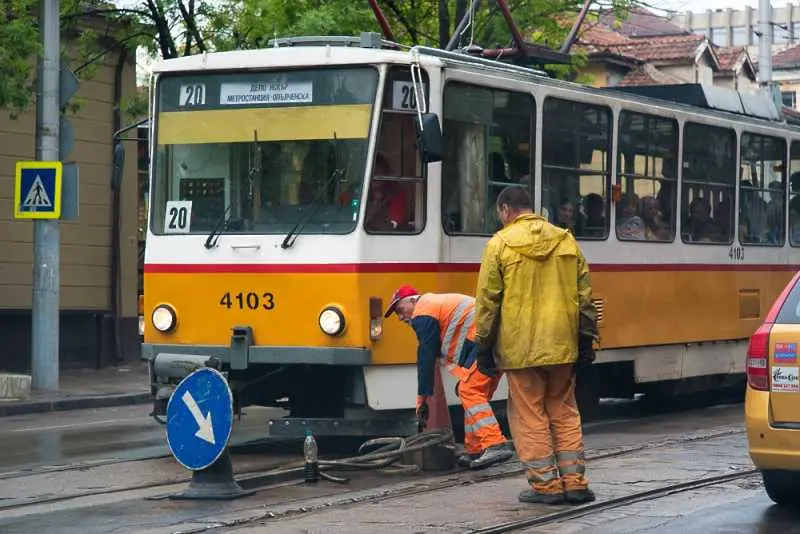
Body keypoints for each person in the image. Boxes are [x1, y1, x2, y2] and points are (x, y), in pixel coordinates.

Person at [473, 185, 599, 505]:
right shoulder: (565, 240)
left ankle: (546, 486)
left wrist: (483, 346)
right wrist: (586, 340)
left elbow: (488, 303)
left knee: (530, 416)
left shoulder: (499, 245)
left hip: (521, 349)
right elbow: (584, 299)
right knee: (564, 410)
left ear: (504, 210)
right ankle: (575, 482)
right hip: (562, 344)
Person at [384, 285, 512, 470]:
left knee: (469, 391)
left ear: (413, 300)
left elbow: (426, 358)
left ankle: (495, 444)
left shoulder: (423, 312)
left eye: (400, 310)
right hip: (493, 343)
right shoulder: (433, 306)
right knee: (470, 394)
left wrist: (422, 399)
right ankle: (476, 450)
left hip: (486, 345)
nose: (401, 317)